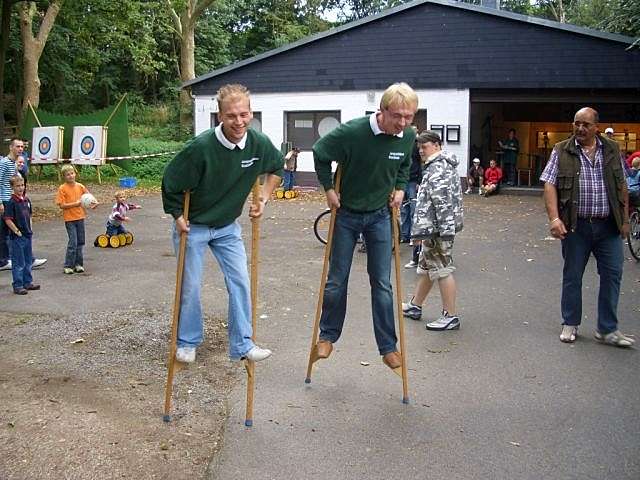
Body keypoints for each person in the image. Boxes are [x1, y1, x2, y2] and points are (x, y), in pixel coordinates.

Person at [162, 83, 283, 365]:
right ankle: (188, 341)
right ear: (220, 117)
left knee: (240, 281)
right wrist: (177, 216)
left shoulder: (258, 143)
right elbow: (171, 182)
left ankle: (243, 344)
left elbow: (277, 167)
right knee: (190, 285)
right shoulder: (200, 148)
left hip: (228, 227)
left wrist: (263, 198)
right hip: (194, 225)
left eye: (243, 114)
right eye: (231, 116)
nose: (238, 121)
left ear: (251, 113)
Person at [312, 82, 418, 369]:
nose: (404, 123)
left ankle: (388, 347)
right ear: (382, 110)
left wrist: (398, 187)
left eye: (410, 117)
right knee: (337, 280)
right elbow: (320, 152)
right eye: (398, 116)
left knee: (382, 282)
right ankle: (327, 336)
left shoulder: (407, 136)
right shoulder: (352, 132)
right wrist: (328, 189)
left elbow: (405, 164)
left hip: (380, 215)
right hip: (346, 214)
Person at [541, 107, 634, 347]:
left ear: (596, 128)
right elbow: (549, 184)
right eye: (576, 123)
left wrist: (624, 220)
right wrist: (554, 218)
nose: (580, 128)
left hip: (608, 227)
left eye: (585, 124)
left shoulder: (612, 149)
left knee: (613, 275)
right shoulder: (561, 150)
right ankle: (570, 323)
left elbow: (622, 185)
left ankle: (607, 329)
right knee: (573, 276)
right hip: (576, 226)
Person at [402, 131, 463, 330]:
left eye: (424, 146)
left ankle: (450, 316)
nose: (420, 150)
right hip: (432, 229)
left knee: (442, 269)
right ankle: (415, 306)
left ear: (436, 145)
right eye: (419, 147)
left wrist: (444, 232)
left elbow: (442, 202)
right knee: (428, 268)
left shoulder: (438, 167)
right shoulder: (438, 165)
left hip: (438, 230)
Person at [0, 137, 47, 272]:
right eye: (17, 146)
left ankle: (27, 259)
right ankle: (5, 261)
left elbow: (15, 183)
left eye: (22, 147)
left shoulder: (15, 163)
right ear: (11, 147)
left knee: (19, 230)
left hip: (14, 201)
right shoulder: (4, 163)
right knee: (5, 233)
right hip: (5, 201)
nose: (20, 149)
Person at [56, 164, 95, 275]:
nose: (70, 176)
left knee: (80, 242)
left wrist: (94, 203)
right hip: (70, 219)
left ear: (75, 174)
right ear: (64, 176)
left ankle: (78, 264)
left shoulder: (80, 186)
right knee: (73, 242)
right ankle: (68, 265)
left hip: (80, 217)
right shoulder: (62, 188)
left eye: (72, 173)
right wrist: (76, 204)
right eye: (67, 174)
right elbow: (62, 205)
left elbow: (89, 197)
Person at [3, 175, 39, 294]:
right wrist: (16, 231)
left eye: (22, 185)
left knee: (28, 260)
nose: (20, 188)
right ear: (12, 187)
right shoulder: (11, 202)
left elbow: (29, 216)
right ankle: (18, 284)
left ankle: (27, 282)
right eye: (17, 186)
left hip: (28, 234)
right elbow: (8, 219)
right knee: (19, 262)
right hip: (17, 237)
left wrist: (31, 228)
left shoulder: (26, 200)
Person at [401, 130, 421, 242]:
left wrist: (419, 181)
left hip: (413, 181)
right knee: (404, 210)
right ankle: (405, 235)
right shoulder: (400, 145)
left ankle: (413, 236)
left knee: (413, 209)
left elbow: (421, 164)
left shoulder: (416, 147)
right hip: (403, 181)